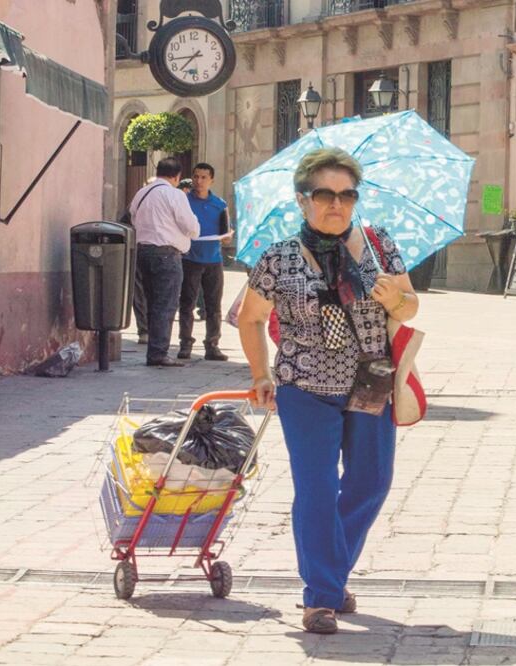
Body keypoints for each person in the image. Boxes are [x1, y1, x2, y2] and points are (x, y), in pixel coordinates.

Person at [238, 148, 417, 634]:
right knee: (316, 490)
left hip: (370, 382)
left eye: (347, 194)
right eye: (325, 194)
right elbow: (249, 318)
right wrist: (260, 374)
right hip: (305, 386)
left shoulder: (379, 246)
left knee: (371, 482)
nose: (337, 204)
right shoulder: (279, 256)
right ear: (303, 200)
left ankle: (331, 578)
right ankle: (320, 596)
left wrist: (393, 296)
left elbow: (411, 305)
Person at [129, 157, 199, 367]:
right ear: (177, 176)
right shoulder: (174, 194)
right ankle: (158, 353)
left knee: (151, 302)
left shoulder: (141, 193)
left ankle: (154, 349)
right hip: (167, 254)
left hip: (143, 252)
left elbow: (133, 218)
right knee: (166, 305)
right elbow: (191, 227)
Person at [178, 163, 231, 361]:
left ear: (211, 180)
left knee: (213, 305)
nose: (199, 181)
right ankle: (185, 343)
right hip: (189, 258)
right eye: (196, 177)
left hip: (213, 260)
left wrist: (227, 238)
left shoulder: (220, 204)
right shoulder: (184, 201)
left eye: (203, 177)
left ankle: (212, 344)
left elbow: (226, 233)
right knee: (187, 304)